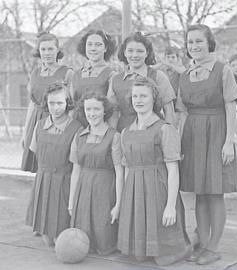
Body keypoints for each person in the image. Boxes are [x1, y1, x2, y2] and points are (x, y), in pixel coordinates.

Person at [176, 24, 237, 265]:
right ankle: (202, 244)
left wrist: (228, 142)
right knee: (199, 193)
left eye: (199, 41)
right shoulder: (184, 75)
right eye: (190, 42)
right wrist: (180, 145)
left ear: (209, 43)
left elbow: (230, 107)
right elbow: (182, 113)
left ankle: (214, 247)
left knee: (215, 193)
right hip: (193, 135)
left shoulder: (223, 70)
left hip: (217, 133)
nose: (194, 46)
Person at [118, 76, 188, 266]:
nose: (138, 100)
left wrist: (170, 206)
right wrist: (125, 201)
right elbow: (126, 169)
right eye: (135, 96)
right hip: (135, 193)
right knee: (138, 257)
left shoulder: (165, 129)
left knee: (162, 258)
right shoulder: (126, 132)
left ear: (154, 99)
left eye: (143, 96)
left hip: (158, 191)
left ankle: (192, 242)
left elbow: (173, 170)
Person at [25, 82, 81, 246]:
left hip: (63, 182)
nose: (55, 107)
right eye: (51, 103)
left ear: (67, 103)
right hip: (43, 181)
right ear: (46, 103)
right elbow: (36, 151)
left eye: (60, 103)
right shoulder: (40, 125)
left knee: (61, 240)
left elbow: (75, 164)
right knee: (47, 241)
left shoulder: (76, 128)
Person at [69, 92, 124, 255]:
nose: (92, 114)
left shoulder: (114, 137)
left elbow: (120, 173)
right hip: (83, 190)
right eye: (88, 109)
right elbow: (76, 171)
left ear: (105, 111)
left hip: (105, 190)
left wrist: (118, 205)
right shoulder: (79, 136)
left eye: (96, 109)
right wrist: (72, 201)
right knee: (81, 241)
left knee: (104, 242)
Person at [21, 32, 73, 173]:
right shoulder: (35, 73)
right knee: (39, 168)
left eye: (51, 49)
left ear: (58, 50)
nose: (47, 53)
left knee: (56, 167)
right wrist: (26, 132)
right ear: (39, 51)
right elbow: (32, 104)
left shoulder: (67, 73)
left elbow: (71, 105)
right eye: (43, 49)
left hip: (57, 123)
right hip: (36, 123)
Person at [107, 32, 176, 132]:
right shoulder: (115, 80)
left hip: (153, 133)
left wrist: (170, 134)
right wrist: (112, 138)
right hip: (124, 133)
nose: (135, 55)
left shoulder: (158, 76)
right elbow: (113, 113)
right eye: (130, 51)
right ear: (124, 52)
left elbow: (169, 110)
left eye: (140, 51)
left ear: (147, 53)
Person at [71, 29, 116, 127]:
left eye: (98, 45)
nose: (93, 48)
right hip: (77, 127)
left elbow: (112, 110)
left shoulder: (111, 75)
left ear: (106, 48)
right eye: (89, 44)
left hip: (100, 128)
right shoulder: (76, 75)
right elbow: (71, 106)